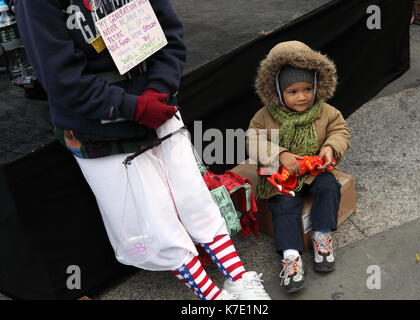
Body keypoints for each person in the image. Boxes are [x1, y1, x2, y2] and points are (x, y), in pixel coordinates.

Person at [15, 0, 270, 300]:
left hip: (155, 104)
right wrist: (132, 107)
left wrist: (157, 91)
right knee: (154, 218)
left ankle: (239, 279)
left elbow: (170, 35)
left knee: (194, 198)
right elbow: (61, 79)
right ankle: (212, 298)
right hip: (98, 125)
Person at [247, 40, 350, 293]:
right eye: (293, 92)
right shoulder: (264, 116)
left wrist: (330, 148)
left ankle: (322, 235)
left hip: (315, 171)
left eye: (307, 89)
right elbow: (252, 140)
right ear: (277, 92)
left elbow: (340, 130)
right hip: (281, 177)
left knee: (329, 186)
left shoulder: (326, 111)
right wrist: (279, 154)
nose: (302, 97)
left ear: (316, 86)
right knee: (283, 205)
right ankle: (291, 257)